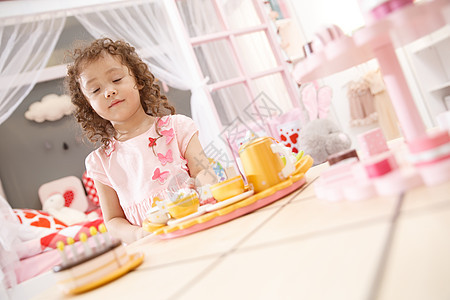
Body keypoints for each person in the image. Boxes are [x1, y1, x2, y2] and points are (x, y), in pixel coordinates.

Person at [65, 38, 217, 243]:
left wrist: (200, 188)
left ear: (137, 80)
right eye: (95, 90)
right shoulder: (100, 161)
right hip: (152, 245)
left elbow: (204, 172)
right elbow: (113, 220)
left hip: (198, 226)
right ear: (89, 105)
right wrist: (138, 234)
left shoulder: (177, 127)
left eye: (117, 79)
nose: (109, 91)